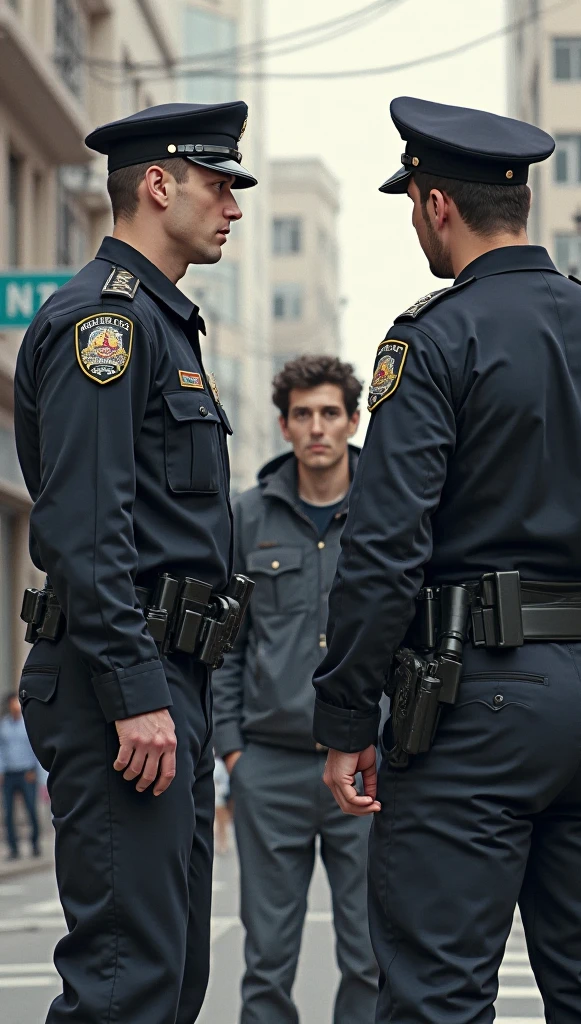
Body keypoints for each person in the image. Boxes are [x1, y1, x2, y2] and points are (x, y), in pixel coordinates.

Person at [313, 96, 581, 1024]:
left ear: (437, 204)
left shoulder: (433, 340)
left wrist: (347, 711)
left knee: (438, 995)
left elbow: (386, 545)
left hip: (468, 701)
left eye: (412, 204)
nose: (414, 223)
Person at [14, 100, 257, 1024]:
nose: (232, 205)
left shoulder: (162, 324)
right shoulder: (103, 327)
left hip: (166, 680)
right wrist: (134, 690)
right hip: (119, 684)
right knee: (127, 984)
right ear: (158, 185)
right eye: (220, 183)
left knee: (171, 975)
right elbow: (86, 528)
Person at [213, 355, 378, 1024]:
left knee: (370, 954)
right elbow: (227, 643)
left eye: (330, 413)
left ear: (353, 420)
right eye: (303, 414)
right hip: (270, 767)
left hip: (363, 766)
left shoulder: (385, 511)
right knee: (268, 959)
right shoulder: (246, 517)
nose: (318, 428)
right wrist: (233, 753)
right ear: (284, 425)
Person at [0, 692, 41, 860]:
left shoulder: (28, 724)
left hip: (27, 773)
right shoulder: (4, 725)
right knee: (8, 813)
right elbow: (1, 750)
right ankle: (13, 848)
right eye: (11, 704)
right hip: (9, 774)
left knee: (31, 809)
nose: (14, 706)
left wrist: (34, 770)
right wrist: (1, 770)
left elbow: (36, 748)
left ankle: (34, 844)